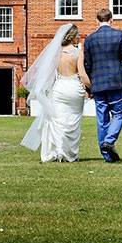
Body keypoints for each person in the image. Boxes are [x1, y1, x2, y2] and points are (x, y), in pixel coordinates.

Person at [20, 24, 91, 162]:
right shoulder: (78, 52)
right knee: (73, 122)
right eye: (78, 35)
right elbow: (82, 74)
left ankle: (58, 151)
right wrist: (92, 87)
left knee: (57, 120)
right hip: (75, 88)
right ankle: (69, 154)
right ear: (73, 37)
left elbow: (47, 74)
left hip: (60, 88)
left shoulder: (55, 53)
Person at [83, 7, 122, 162]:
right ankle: (109, 141)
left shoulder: (89, 39)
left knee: (102, 118)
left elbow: (87, 64)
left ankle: (107, 155)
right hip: (117, 83)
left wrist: (89, 85)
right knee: (119, 114)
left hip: (98, 84)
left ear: (97, 21)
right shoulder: (119, 35)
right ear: (111, 20)